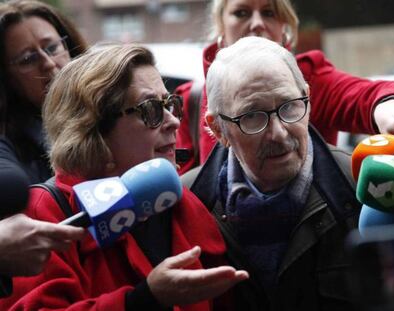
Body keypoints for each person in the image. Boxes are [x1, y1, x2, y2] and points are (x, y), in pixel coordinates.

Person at [0, 43, 248, 310]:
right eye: (150, 109)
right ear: (93, 129)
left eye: (170, 104)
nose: (174, 121)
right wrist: (142, 301)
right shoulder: (45, 212)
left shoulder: (178, 199)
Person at [183, 36, 361, 310]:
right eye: (253, 115)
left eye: (289, 106)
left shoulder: (361, 189)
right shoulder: (187, 207)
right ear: (219, 130)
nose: (278, 133)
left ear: (308, 99)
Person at [175, 0, 394, 174]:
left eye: (269, 12)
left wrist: (388, 107)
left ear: (284, 26)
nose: (257, 24)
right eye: (241, 13)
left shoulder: (310, 77)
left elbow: (364, 96)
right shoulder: (192, 100)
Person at [0, 0, 88, 183]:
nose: (48, 63)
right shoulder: (9, 162)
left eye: (53, 47)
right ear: (7, 80)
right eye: (27, 59)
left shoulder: (116, 110)